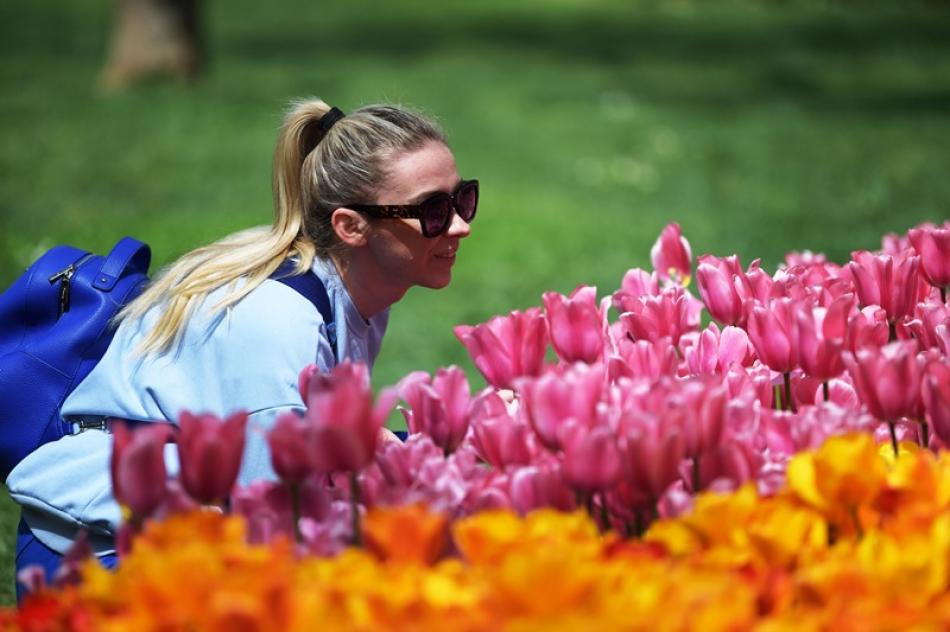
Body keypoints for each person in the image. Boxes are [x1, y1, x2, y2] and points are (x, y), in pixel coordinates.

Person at [6, 98, 477, 595]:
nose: (461, 225)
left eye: (462, 199)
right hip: (98, 552)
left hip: (182, 517)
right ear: (351, 226)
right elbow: (279, 522)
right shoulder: (279, 322)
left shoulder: (360, 291)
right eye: (433, 211)